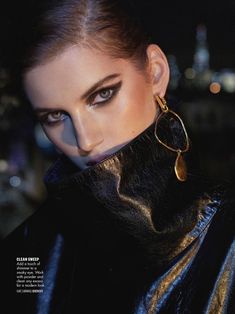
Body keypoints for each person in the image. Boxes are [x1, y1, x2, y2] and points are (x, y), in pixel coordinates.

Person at [0, 0, 234, 313]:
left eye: (102, 95)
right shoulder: (27, 251)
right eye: (55, 116)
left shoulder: (226, 241)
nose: (84, 140)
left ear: (156, 72)